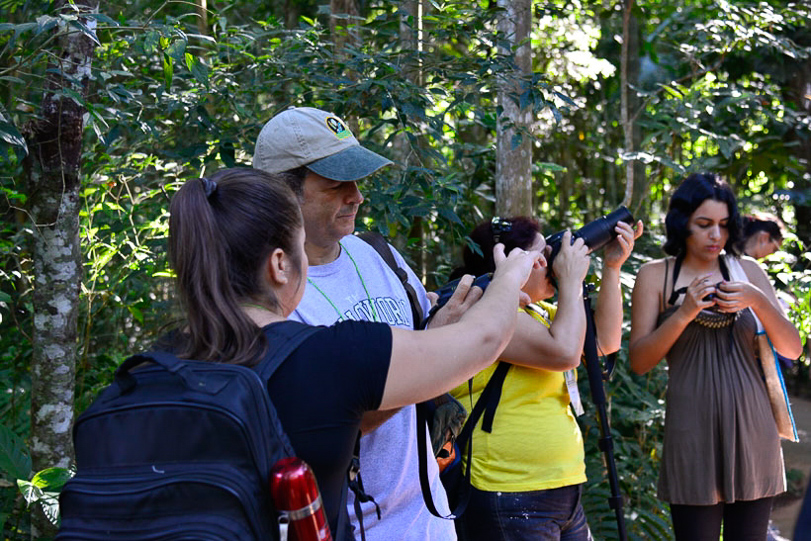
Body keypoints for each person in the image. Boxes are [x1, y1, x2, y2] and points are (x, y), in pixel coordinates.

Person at [166, 167, 541, 539]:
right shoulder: (324, 353)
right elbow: (485, 339)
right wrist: (511, 274)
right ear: (280, 265)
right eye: (300, 247)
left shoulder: (158, 365)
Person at [253, 106, 475, 540]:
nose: (356, 196)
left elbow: (427, 345)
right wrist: (440, 346)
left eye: (356, 181)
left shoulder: (377, 254)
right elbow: (330, 422)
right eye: (336, 184)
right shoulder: (269, 299)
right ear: (282, 193)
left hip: (431, 520)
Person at [629, 173, 802, 541]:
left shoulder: (747, 270)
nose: (715, 236)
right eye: (704, 224)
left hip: (754, 430)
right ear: (682, 223)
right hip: (691, 432)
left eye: (724, 225)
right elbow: (640, 362)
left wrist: (756, 299)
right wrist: (684, 312)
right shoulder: (655, 276)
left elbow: (792, 348)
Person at [448, 215, 641, 541]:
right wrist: (571, 281)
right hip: (508, 489)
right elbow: (564, 352)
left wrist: (612, 267)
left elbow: (605, 343)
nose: (551, 263)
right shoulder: (485, 312)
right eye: (541, 257)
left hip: (562, 487)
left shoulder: (541, 313)